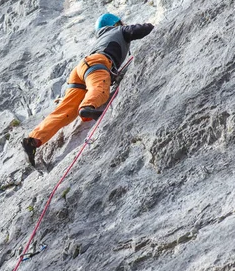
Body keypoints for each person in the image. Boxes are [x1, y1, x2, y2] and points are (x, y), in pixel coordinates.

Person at [22, 13, 154, 166]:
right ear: (115, 23)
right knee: (100, 88)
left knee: (65, 111)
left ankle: (33, 140)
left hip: (80, 70)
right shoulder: (118, 31)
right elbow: (142, 29)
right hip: (98, 64)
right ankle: (87, 107)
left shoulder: (100, 40)